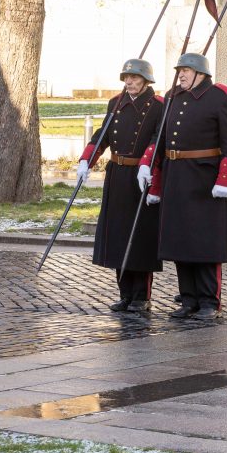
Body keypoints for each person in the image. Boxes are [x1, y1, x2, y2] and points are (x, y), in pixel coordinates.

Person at [137, 53, 227, 321]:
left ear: (201, 74)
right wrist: (150, 166)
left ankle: (209, 301)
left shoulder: (221, 97)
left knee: (204, 243)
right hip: (176, 177)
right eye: (179, 70)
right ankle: (189, 299)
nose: (181, 75)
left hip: (204, 180)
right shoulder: (173, 97)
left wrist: (225, 179)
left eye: (186, 70)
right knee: (180, 241)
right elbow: (161, 137)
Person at [78, 59, 164, 312]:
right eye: (126, 78)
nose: (129, 82)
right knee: (118, 235)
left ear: (146, 80)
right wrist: (87, 159)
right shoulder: (115, 103)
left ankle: (141, 296)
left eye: (134, 78)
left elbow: (156, 139)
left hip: (140, 175)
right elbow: (101, 136)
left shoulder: (159, 106)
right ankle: (125, 293)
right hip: (116, 174)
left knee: (139, 237)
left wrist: (148, 166)